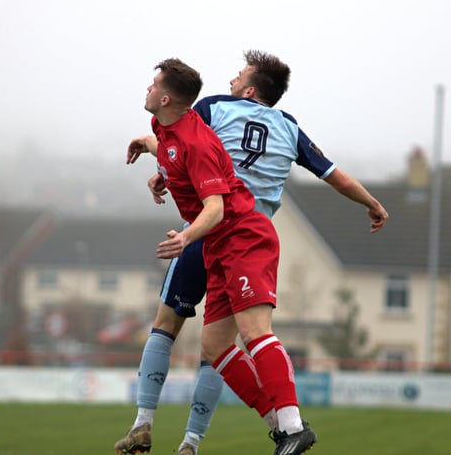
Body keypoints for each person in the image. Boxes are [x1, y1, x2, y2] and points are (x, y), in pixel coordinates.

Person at [115, 51, 388, 455]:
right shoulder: (289, 129)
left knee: (180, 327)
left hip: (226, 231)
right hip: (224, 237)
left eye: (238, 75)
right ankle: (252, 430)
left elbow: (190, 148)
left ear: (250, 88)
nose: (231, 80)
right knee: (214, 347)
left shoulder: (214, 108)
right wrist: (372, 203)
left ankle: (151, 423)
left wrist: (164, 178)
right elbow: (335, 176)